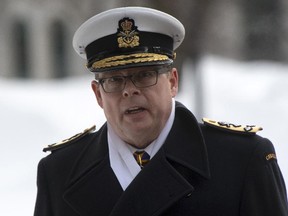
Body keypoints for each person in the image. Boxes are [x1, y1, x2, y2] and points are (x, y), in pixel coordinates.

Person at [34, 6, 288, 216]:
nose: (129, 91)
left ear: (173, 82)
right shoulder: (59, 172)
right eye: (114, 80)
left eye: (144, 75)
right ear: (98, 94)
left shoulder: (241, 160)